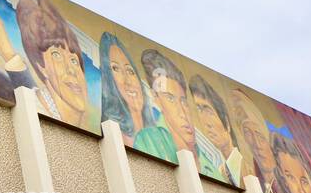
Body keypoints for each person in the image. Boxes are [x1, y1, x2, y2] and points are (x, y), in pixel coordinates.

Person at [131, 50, 233, 182]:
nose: (182, 113)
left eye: (184, 101)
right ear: (155, 97)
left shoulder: (211, 161)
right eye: (170, 99)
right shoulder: (149, 141)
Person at [14, 0, 89, 126]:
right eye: (56, 55)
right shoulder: (32, 108)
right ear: (41, 67)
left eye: (73, 60)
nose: (71, 69)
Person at [98, 32, 155, 146]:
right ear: (108, 80)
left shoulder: (157, 136)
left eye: (130, 71)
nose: (128, 81)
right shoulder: (115, 135)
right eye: (115, 69)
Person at [189, 73, 242, 184]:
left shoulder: (244, 168)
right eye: (199, 109)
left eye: (209, 111)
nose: (206, 123)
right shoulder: (217, 170)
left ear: (226, 123)